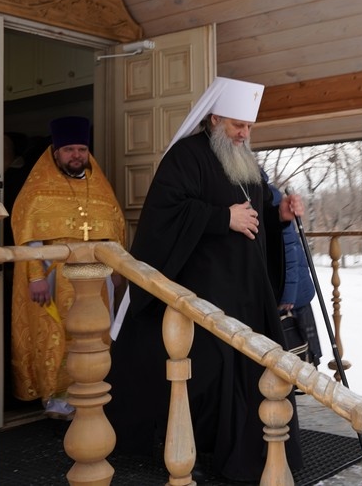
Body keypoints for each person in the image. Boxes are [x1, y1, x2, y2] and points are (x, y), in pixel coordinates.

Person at [106, 77, 305, 482]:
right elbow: (163, 217)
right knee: (206, 371)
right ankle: (191, 446)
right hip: (202, 290)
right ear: (215, 119)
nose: (244, 134)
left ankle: (248, 450)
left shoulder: (246, 163)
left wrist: (278, 216)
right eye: (237, 125)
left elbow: (255, 219)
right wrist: (220, 218)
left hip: (246, 291)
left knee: (253, 368)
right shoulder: (185, 157)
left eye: (248, 127)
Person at [10, 116, 125, 418]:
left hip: (98, 280)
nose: (76, 155)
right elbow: (29, 238)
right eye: (69, 149)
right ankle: (59, 400)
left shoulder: (100, 189)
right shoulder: (38, 190)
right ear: (56, 152)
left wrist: (116, 273)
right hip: (55, 280)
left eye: (82, 149)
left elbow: (113, 233)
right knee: (58, 337)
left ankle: (94, 391)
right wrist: (35, 277)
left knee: (97, 334)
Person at [267, 177, 322, 368]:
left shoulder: (269, 195)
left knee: (299, 360)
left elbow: (288, 246)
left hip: (291, 297)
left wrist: (287, 293)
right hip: (292, 291)